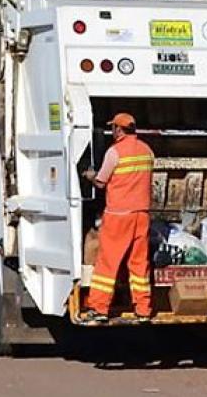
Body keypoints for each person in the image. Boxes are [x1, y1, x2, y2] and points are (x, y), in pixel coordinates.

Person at [81, 113, 154, 323]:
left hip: (118, 216)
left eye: (113, 128)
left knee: (107, 263)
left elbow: (101, 182)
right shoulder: (147, 151)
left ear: (119, 130)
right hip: (142, 214)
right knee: (139, 264)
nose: (112, 131)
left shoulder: (114, 152)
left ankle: (99, 308)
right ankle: (143, 309)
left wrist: (89, 175)